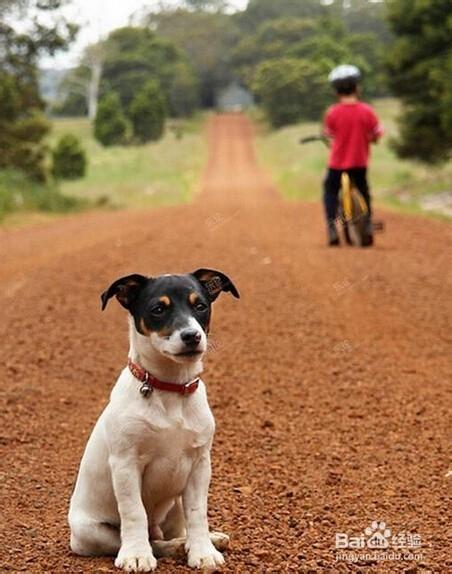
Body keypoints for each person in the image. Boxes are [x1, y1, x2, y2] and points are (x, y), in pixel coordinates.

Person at [323, 65, 383, 246]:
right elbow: (376, 133)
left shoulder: (333, 112)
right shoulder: (366, 110)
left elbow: (329, 134)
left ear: (336, 91)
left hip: (337, 163)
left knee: (330, 190)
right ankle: (367, 225)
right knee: (364, 191)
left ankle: (332, 227)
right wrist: (371, 139)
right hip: (359, 162)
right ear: (357, 87)